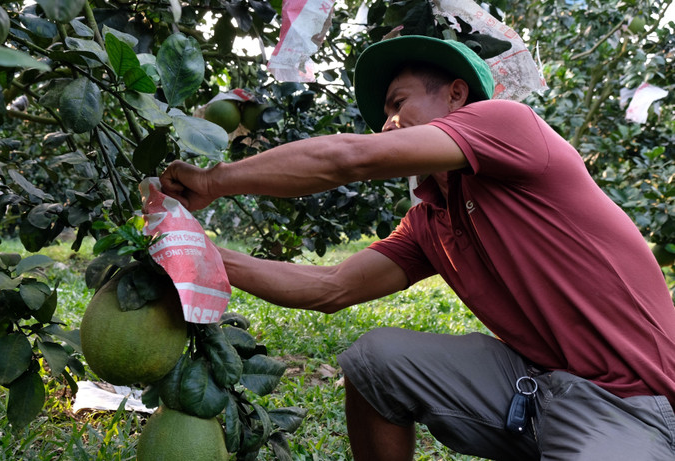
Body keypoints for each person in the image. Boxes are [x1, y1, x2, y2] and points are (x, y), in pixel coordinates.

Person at [160, 35, 675, 460]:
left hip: (636, 399)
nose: (386, 124)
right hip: (537, 385)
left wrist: (215, 180)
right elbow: (329, 286)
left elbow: (347, 158)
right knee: (375, 363)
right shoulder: (431, 219)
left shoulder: (510, 125)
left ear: (456, 96)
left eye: (398, 103)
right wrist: (192, 247)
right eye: (383, 115)